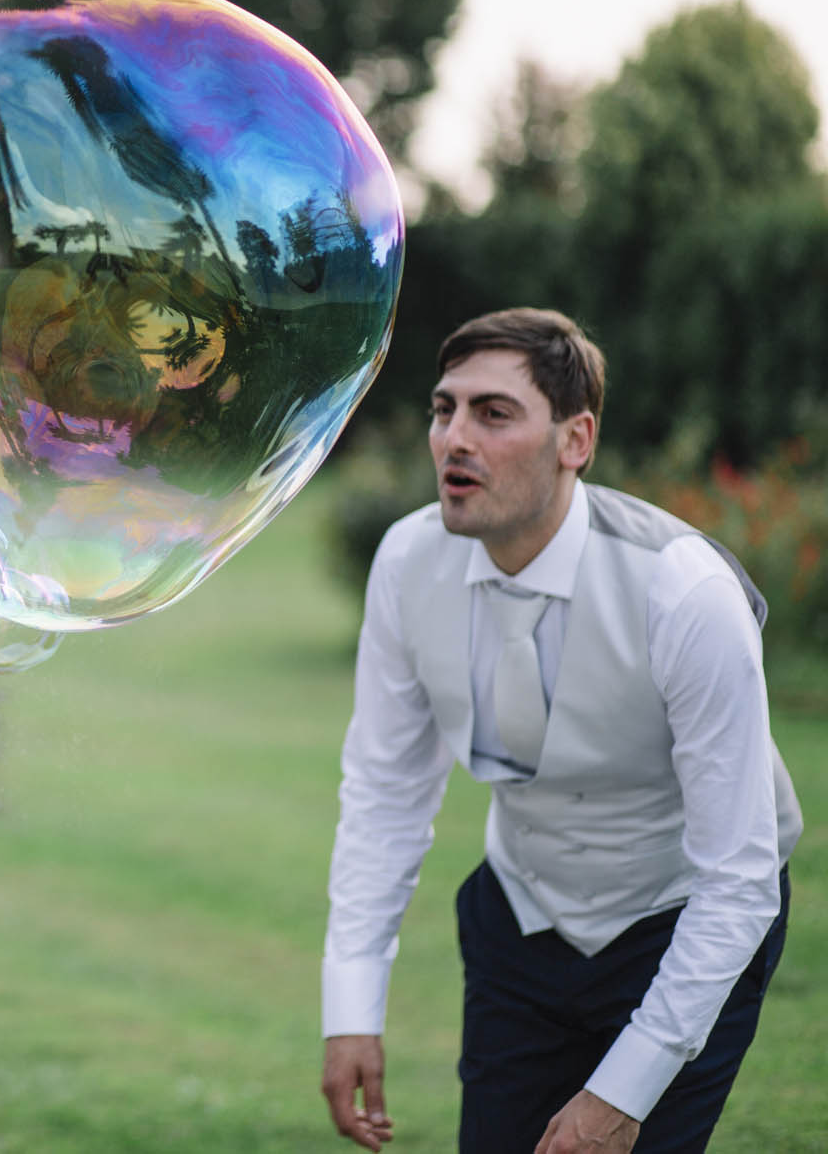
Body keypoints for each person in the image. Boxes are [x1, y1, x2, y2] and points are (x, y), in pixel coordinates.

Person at [318, 309, 801, 1154]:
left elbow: (740, 877)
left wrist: (623, 1091)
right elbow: (386, 793)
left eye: (493, 413)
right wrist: (350, 1005)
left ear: (576, 439)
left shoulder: (683, 591)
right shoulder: (406, 561)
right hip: (518, 920)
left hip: (680, 919)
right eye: (444, 409)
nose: (454, 438)